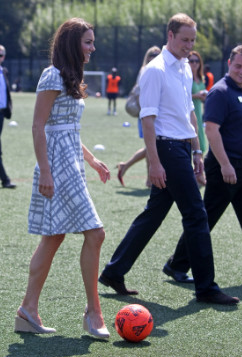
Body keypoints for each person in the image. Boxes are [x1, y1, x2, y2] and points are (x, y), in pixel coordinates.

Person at [99, 13, 239, 305]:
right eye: (185, 39)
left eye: (193, 40)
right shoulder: (155, 70)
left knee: (154, 213)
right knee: (196, 214)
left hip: (182, 149)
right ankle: (206, 288)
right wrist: (154, 163)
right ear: (170, 35)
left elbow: (187, 111)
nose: (189, 45)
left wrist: (198, 149)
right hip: (166, 150)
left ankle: (114, 271)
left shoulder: (185, 69)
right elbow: (147, 119)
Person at [15, 18, 111, 338]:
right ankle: (93, 312)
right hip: (56, 165)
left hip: (73, 162)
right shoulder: (51, 75)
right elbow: (38, 126)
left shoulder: (72, 77)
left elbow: (67, 127)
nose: (92, 48)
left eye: (93, 42)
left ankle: (27, 311)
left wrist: (93, 159)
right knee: (95, 234)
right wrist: (45, 170)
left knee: (53, 237)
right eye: (88, 42)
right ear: (72, 43)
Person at [164, 45, 242, 283]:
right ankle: (176, 264)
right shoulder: (219, 92)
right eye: (238, 66)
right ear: (229, 63)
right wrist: (225, 165)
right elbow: (211, 131)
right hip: (225, 168)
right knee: (206, 219)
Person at [116, 46, 161, 188]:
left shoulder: (156, 69)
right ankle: (149, 179)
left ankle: (125, 166)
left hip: (153, 113)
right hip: (147, 113)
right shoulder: (146, 70)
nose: (154, 57)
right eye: (151, 54)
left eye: (157, 54)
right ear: (147, 57)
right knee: (151, 146)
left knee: (150, 147)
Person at [0, 45, 16, 189]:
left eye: (1, 55)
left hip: (1, 113)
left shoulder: (4, 71)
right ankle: (5, 180)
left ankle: (5, 180)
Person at [188, 51, 207, 153]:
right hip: (189, 113)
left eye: (197, 61)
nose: (194, 63)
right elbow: (181, 96)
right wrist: (196, 96)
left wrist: (203, 97)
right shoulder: (186, 77)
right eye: (191, 61)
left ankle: (200, 168)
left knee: (201, 144)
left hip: (198, 112)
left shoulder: (201, 77)